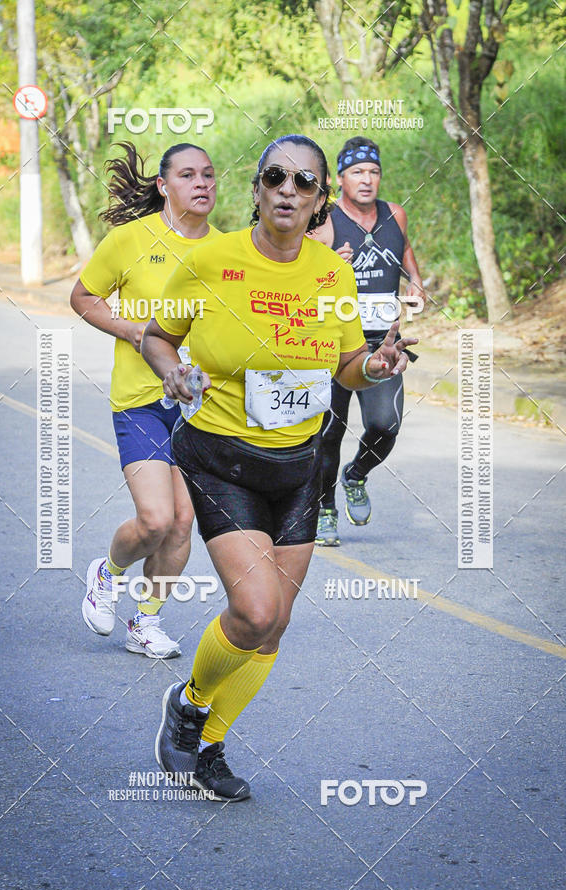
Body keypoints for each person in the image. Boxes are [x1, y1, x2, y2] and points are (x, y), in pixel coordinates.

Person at [141, 134, 417, 801]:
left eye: (304, 181)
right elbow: (157, 336)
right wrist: (172, 372)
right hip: (220, 459)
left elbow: (348, 362)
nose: (288, 190)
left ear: (321, 200)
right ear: (258, 190)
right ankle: (187, 703)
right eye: (275, 177)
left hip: (299, 464)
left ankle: (208, 747)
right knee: (256, 607)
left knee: (276, 623)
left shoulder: (331, 274)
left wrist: (373, 366)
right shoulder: (211, 261)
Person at [70, 141, 219, 657]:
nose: (201, 183)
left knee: (183, 523)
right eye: (187, 175)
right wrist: (132, 330)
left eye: (208, 175)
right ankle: (106, 573)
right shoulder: (129, 240)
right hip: (140, 400)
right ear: (163, 185)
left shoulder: (226, 251)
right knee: (156, 518)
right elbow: (83, 297)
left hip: (199, 407)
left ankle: (146, 622)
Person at [310, 137, 425, 546]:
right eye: (357, 172)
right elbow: (300, 277)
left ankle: (356, 474)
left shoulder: (395, 214)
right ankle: (325, 510)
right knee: (328, 433)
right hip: (335, 343)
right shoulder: (323, 224)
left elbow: (405, 248)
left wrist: (415, 279)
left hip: (382, 342)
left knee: (385, 425)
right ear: (338, 178)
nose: (367, 179)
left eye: (374, 171)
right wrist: (329, 267)